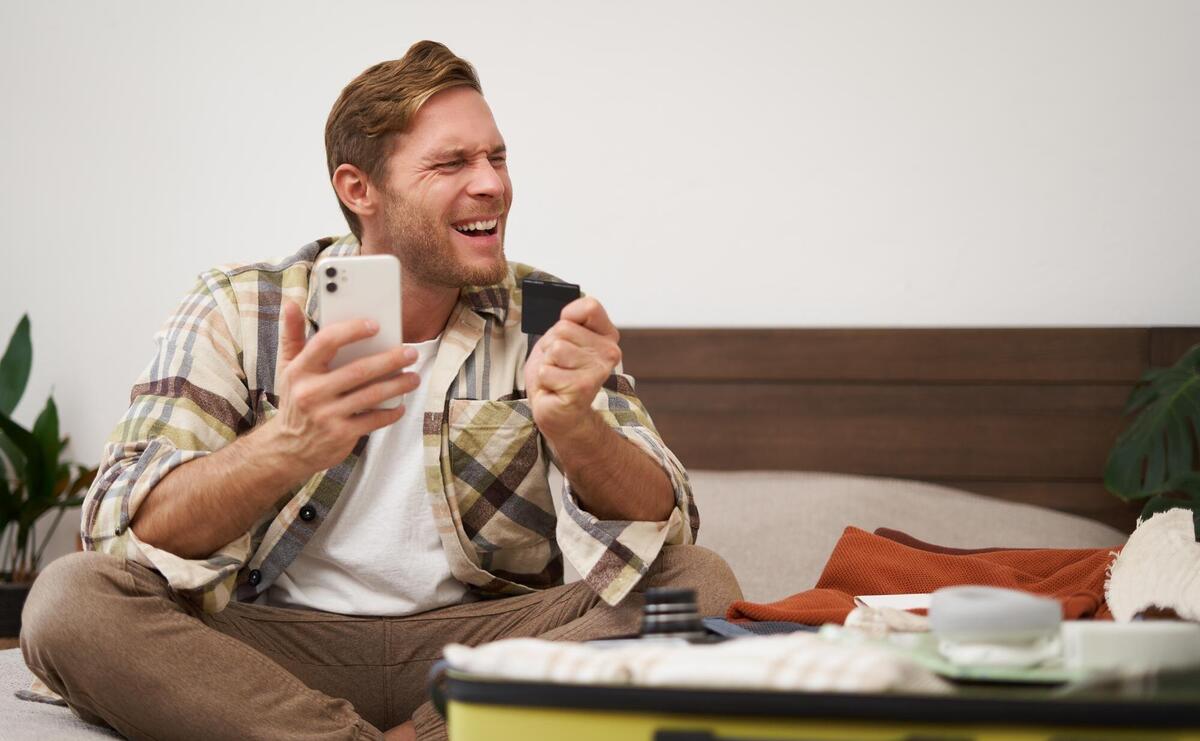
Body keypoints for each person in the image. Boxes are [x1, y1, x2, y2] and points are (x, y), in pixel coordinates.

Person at [20, 40, 741, 741]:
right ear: (358, 189)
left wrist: (579, 431)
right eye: (452, 162)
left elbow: (667, 526)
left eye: (496, 157)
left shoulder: (546, 313)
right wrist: (285, 445)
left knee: (697, 587)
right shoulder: (242, 308)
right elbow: (120, 533)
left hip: (481, 649)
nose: (491, 182)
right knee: (68, 600)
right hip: (270, 648)